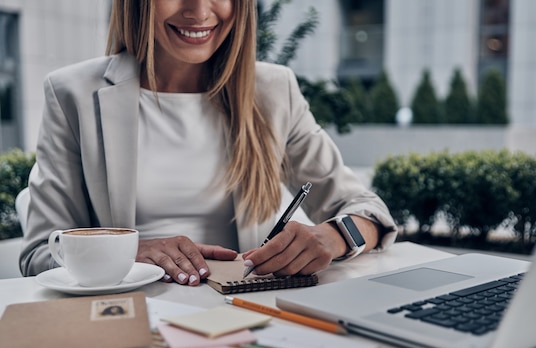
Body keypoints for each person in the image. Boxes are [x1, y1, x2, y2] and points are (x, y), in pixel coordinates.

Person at [19, 0, 397, 285]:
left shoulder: (273, 90)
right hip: (128, 317)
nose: (199, 11)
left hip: (249, 313)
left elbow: (369, 211)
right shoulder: (73, 93)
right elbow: (39, 254)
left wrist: (332, 237)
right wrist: (130, 252)